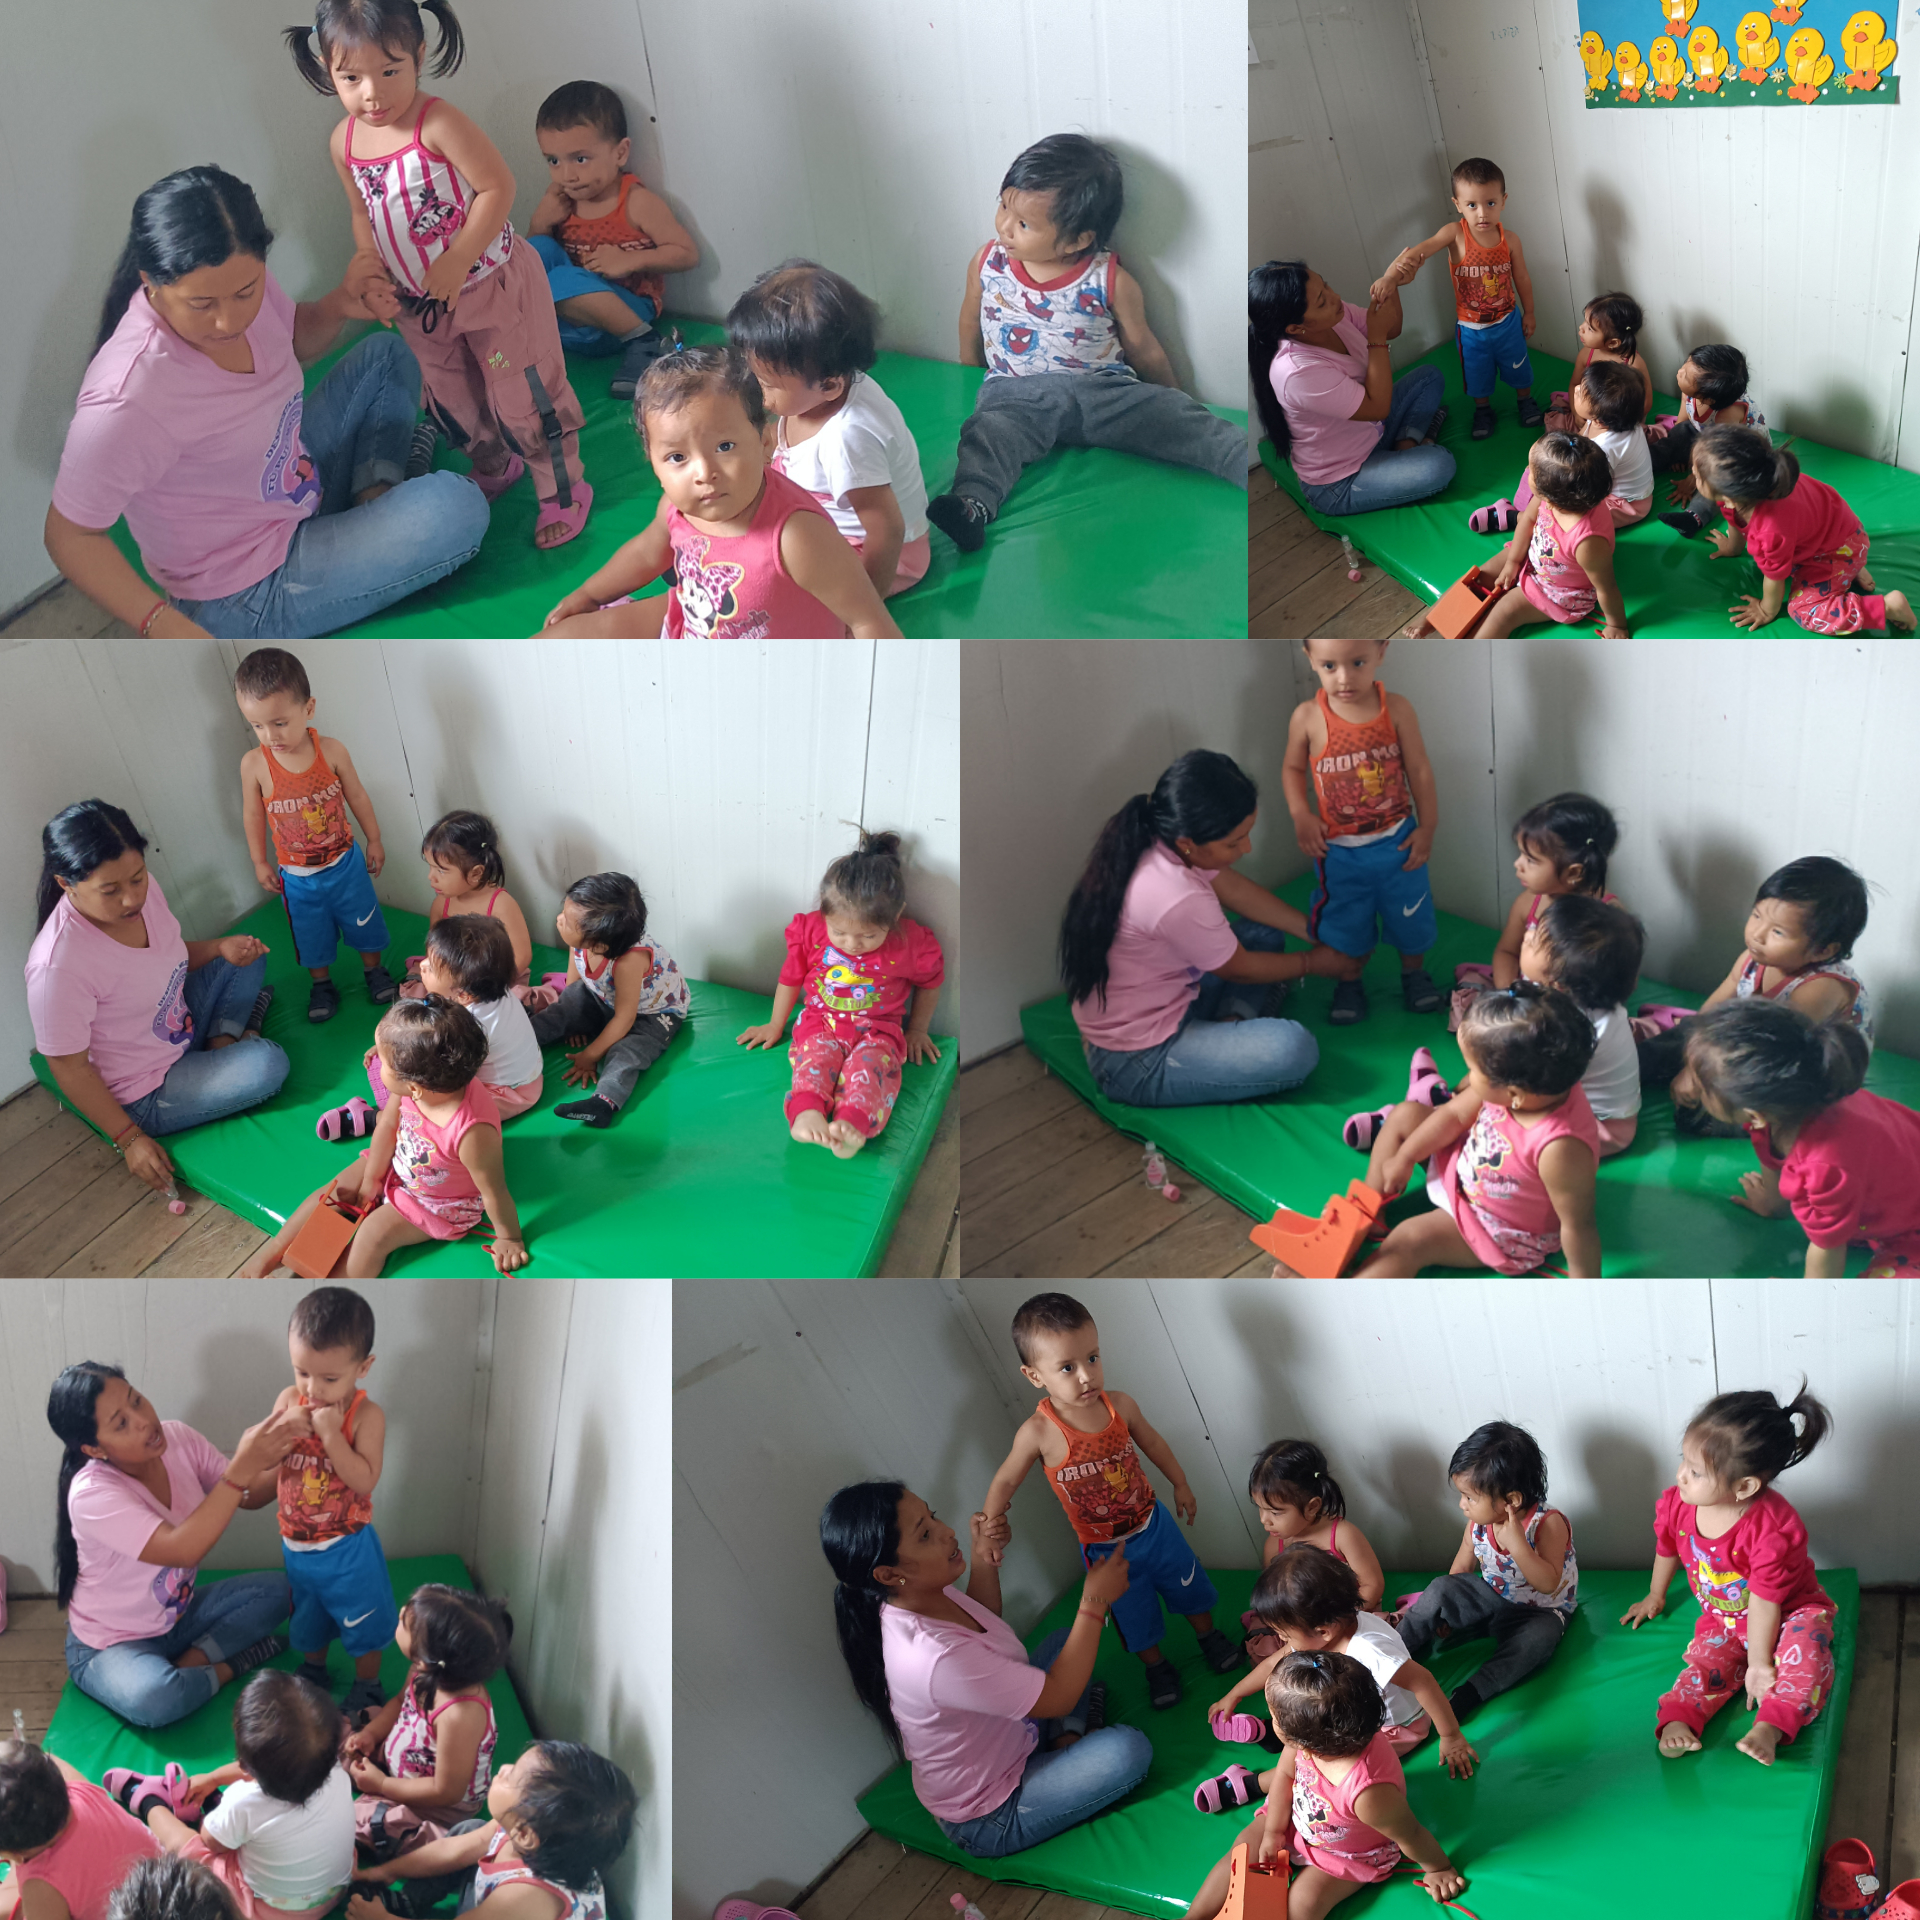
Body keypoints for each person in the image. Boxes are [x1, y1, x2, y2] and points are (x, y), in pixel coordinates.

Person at [44, 165, 487, 639]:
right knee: (458, 508)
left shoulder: (236, 279)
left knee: (386, 354)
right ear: (149, 282)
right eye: (202, 305)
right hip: (245, 587)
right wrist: (162, 623)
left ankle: (372, 503)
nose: (229, 321)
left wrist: (338, 304)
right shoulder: (127, 399)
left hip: (291, 483)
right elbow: (69, 535)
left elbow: (289, 338)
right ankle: (377, 510)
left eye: (246, 292)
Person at [289, 0, 592, 548]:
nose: (372, 94)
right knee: (455, 399)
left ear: (419, 55)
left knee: (517, 391)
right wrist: (371, 271)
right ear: (327, 69)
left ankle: (562, 490)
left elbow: (498, 187)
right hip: (422, 310)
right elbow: (362, 214)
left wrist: (457, 258)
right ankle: (496, 465)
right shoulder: (344, 143)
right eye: (351, 78)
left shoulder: (438, 123)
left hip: (488, 294)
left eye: (390, 71)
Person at [924, 134, 1244, 554]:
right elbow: (971, 317)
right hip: (1017, 393)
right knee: (987, 434)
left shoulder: (1109, 279)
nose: (1004, 227)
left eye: (1024, 224)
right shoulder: (988, 263)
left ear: (1077, 240)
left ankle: (1244, 460)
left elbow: (1143, 347)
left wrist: (1175, 395)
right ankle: (972, 505)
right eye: (1003, 206)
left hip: (1104, 393)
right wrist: (968, 372)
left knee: (1181, 419)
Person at [818, 1480, 1149, 1860]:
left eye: (933, 1517)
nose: (947, 1531)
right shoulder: (932, 1657)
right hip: (991, 1811)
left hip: (1013, 1734)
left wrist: (982, 1557)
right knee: (1127, 1750)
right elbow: (1058, 1696)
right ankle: (1067, 1744)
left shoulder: (915, 1593)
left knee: (1062, 1642)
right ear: (889, 1575)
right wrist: (1094, 1602)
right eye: (925, 1534)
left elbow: (982, 1627)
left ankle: (1066, 1743)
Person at [982, 1292, 1242, 1712]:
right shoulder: (1038, 1433)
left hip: (1154, 1526)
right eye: (1067, 1367)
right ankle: (1156, 1667)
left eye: (1093, 1358)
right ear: (1034, 1376)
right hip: (1105, 1550)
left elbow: (1153, 1443)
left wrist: (1180, 1483)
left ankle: (1209, 1636)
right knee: (1132, 1613)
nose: (1086, 1376)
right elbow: (1006, 1479)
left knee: (1187, 1584)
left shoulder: (1119, 1405)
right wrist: (990, 1524)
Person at [540, 348, 901, 638]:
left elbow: (868, 621)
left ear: (764, 444)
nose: (704, 473)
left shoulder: (796, 536)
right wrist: (589, 595)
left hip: (773, 677)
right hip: (690, 624)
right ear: (653, 463)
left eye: (725, 447)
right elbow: (647, 554)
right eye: (677, 457)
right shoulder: (678, 507)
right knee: (556, 641)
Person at [27, 803, 288, 1198]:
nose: (131, 899)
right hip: (147, 1089)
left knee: (247, 954)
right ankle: (232, 1042)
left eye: (138, 878)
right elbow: (69, 1067)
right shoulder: (56, 968)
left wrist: (219, 947)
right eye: (110, 890)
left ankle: (221, 1045)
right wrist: (129, 1139)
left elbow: (171, 955)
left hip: (179, 1025)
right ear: (67, 883)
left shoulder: (143, 898)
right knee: (269, 1063)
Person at [1061, 749, 1344, 1108]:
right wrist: (1314, 963)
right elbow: (1238, 968)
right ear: (1189, 844)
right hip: (1136, 1059)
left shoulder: (1161, 833)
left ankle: (1229, 1023)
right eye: (1234, 842)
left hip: (1173, 996)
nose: (1247, 848)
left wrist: (1314, 930)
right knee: (1295, 1048)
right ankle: (1231, 1029)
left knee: (1263, 934)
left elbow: (1232, 888)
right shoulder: (1175, 893)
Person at [47, 1363, 303, 1729]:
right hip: (112, 1643)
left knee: (283, 1591)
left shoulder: (178, 1438)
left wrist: (296, 1449)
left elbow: (249, 1495)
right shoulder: (92, 1495)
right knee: (157, 1699)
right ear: (94, 1448)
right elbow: (184, 1549)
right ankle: (229, 1667)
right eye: (121, 1423)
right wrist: (243, 1465)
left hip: (178, 1619)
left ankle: (190, 1665)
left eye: (136, 1400)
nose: (143, 1421)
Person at [1621, 1385, 1837, 1766]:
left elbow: (1766, 1602)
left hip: (1789, 1613)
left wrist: (1759, 1664)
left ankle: (1770, 1726)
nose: (1680, 1476)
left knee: (1806, 1657)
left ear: (1744, 1486)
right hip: (1726, 1619)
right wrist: (1655, 1594)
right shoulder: (1678, 1504)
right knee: (1704, 1663)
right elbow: (1667, 1546)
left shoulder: (1771, 1529)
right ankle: (1679, 1719)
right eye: (1683, 1461)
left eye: (1696, 1472)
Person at [243, 998, 528, 1277]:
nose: (377, 1065)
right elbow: (388, 1125)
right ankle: (274, 1251)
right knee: (337, 1189)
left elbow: (494, 1191)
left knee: (373, 1233)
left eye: (384, 1064)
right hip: (398, 1160)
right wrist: (372, 1178)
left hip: (437, 1202)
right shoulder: (419, 1085)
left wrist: (510, 1238)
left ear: (414, 1087)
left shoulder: (472, 1133)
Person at [1339, 982, 1602, 1278]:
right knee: (1405, 1115)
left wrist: (1586, 1288)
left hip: (1496, 1227)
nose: (1466, 1078)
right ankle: (1367, 1213)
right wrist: (1405, 1157)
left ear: (1513, 1094)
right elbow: (1453, 1115)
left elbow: (1579, 1226)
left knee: (1409, 1239)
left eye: (1472, 1070)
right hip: (1468, 1167)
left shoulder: (1560, 1148)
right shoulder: (1532, 1080)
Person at [1183, 1652, 1464, 1920]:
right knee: (1243, 1850)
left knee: (1302, 1905)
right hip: (1294, 1817)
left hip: (1346, 1855)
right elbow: (1285, 1777)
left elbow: (1411, 1834)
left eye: (1274, 1717)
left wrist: (1438, 1868)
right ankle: (1194, 1916)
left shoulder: (1368, 1793)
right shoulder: (1309, 1741)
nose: (1270, 1720)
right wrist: (1273, 1831)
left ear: (1302, 1740)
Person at [1202, 1546, 1476, 1806]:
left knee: (1322, 1765)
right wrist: (1235, 1694)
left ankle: (1253, 1784)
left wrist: (1451, 1736)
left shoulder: (1370, 1651)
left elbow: (1424, 1683)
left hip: (1393, 1729)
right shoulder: (1328, 1630)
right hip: (1346, 1713)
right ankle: (1276, 1733)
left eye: (1285, 1634)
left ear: (1323, 1631)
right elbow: (1274, 1661)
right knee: (1297, 1684)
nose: (1283, 1641)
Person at [734, 831, 944, 1155]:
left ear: (896, 915)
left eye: (868, 936)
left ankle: (852, 1125)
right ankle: (807, 1113)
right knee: (815, 1059)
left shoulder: (912, 943)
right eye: (839, 932)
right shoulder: (810, 930)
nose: (851, 944)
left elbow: (930, 982)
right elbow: (791, 977)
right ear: (824, 912)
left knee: (870, 1069)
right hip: (820, 1023)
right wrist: (775, 1024)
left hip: (879, 1031)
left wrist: (917, 1030)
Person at [729, 262, 930, 599]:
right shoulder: (820, 391)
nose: (755, 388)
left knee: (767, 588)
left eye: (766, 384)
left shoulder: (847, 439)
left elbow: (887, 530)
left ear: (829, 386)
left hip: (871, 554)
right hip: (818, 521)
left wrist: (864, 603)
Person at [1686, 1001, 1920, 1277]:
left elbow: (1828, 1248)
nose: (1693, 1091)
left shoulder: (1824, 1165)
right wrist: (1772, 1204)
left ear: (1754, 1113)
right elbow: (1770, 1152)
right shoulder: (1790, 1104)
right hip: (1886, 1202)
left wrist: (1807, 1300)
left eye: (1700, 1087)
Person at [1645, 854, 1872, 1131]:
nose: (1757, 934)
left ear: (1823, 950)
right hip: (1747, 1038)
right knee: (1680, 1036)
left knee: (1698, 1115)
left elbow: (1769, 1057)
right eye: (1756, 916)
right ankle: (1626, 1068)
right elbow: (1711, 1012)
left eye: (1778, 932)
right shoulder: (1754, 958)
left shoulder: (1819, 989)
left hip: (1787, 1064)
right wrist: (1692, 1065)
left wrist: (1699, 1075)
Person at [1282, 637, 1443, 1022]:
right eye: (1329, 666)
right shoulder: (1307, 717)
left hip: (1399, 842)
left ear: (1381, 652)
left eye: (1357, 663)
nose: (1344, 678)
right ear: (1310, 659)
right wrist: (1300, 814)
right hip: (1338, 852)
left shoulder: (1396, 709)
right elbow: (1292, 768)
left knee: (1412, 916)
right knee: (1345, 922)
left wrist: (1428, 827)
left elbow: (1419, 769)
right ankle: (1349, 981)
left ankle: (1414, 975)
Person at [107, 1671, 353, 1920]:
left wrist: (215, 1808)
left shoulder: (244, 1802)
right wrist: (214, 1778)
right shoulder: (334, 1769)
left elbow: (210, 1841)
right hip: (334, 1890)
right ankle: (225, 1819)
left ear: (245, 1765)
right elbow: (279, 1768)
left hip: (271, 1912)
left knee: (194, 1852)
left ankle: (148, 1800)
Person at [234, 648, 395, 1023]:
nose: (270, 736)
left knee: (364, 920)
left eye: (279, 723)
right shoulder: (254, 764)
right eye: (257, 726)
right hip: (297, 877)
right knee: (310, 934)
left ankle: (374, 971)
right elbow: (252, 814)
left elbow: (357, 795)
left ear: (309, 708)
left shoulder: (332, 751)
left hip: (345, 865)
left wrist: (374, 839)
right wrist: (258, 861)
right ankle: (321, 984)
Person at [260, 1288, 395, 1717]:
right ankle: (313, 1671)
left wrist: (332, 1435)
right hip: (296, 1544)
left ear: (363, 1367)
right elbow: (265, 1459)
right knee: (308, 1616)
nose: (313, 1389)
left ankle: (368, 1685)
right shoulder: (289, 1400)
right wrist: (283, 1431)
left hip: (347, 1546)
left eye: (329, 1379)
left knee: (362, 1618)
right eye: (302, 1372)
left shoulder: (367, 1416)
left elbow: (365, 1478)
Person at [1396, 1423, 1577, 1724]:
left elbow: (1548, 1584)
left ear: (1511, 1501)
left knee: (1537, 1641)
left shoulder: (1548, 1524)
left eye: (1469, 1497)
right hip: (1492, 1599)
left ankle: (1471, 1693)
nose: (1462, 1505)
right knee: (1440, 1588)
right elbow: (1461, 1570)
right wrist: (1446, 1610)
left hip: (1542, 1612)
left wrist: (1518, 1546)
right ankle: (1392, 1651)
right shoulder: (1478, 1523)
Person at [528, 79, 697, 397]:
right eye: (553, 161)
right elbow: (531, 264)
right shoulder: (561, 198)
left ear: (620, 153)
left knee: (558, 279)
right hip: (571, 321)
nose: (567, 175)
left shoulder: (635, 201)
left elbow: (686, 253)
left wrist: (630, 260)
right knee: (535, 249)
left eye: (580, 159)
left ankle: (646, 343)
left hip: (625, 314)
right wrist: (540, 222)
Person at [344, 1741, 635, 1920]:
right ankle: (411, 1901)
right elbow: (451, 1850)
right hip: (497, 1896)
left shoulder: (523, 1900)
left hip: (503, 1909)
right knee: (471, 1831)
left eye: (512, 1776)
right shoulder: (526, 1827)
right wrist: (385, 1872)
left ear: (525, 1835)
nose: (504, 1768)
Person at [1252, 261, 1452, 517]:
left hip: (1373, 430)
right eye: (1322, 302)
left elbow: (1391, 328)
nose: (1335, 297)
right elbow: (1377, 407)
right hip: (1341, 478)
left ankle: (1406, 446)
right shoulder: (1296, 372)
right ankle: (1413, 445)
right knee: (1439, 465)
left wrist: (1391, 283)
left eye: (1325, 285)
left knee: (1429, 376)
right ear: (1295, 328)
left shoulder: (1334, 315)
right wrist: (1376, 338)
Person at [324, 918, 543, 1138]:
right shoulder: (492, 988)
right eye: (427, 957)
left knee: (428, 1103)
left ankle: (377, 1119)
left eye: (432, 968)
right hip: (529, 1077)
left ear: (462, 994)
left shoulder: (467, 1026)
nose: (422, 965)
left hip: (504, 1094)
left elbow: (443, 1076)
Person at [1372, 155, 1540, 440]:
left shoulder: (1510, 240)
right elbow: (1421, 250)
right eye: (1472, 205)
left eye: (1490, 203)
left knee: (1519, 366)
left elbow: (1522, 278)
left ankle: (1525, 400)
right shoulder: (1455, 234)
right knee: (1476, 373)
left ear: (1503, 201)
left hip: (1507, 322)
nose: (1482, 213)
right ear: (1457, 204)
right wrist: (1390, 276)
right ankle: (1483, 410)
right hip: (1471, 329)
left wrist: (1530, 312)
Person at [1690, 428, 1917, 634]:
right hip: (1836, 535)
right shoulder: (1764, 481)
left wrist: (1766, 609)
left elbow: (1775, 577)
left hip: (1837, 551)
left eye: (1697, 475)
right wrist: (1733, 547)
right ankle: (1851, 567)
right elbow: (1733, 518)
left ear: (1730, 498)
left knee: (1804, 611)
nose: (1692, 471)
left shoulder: (1768, 530)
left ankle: (1888, 606)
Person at [345, 1585, 512, 1857]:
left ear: (427, 1658)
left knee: (359, 1822)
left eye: (406, 1622)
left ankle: (443, 1840)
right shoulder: (424, 1671)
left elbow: (445, 1791)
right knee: (347, 1729)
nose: (401, 1612)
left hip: (437, 1806)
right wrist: (371, 1735)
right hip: (403, 1761)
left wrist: (383, 1786)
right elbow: (399, 1703)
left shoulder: (459, 1714)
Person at [528, 874, 688, 1129]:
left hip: (654, 1013)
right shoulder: (583, 939)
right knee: (564, 1008)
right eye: (564, 912)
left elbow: (625, 1018)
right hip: (606, 997)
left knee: (628, 1051)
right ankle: (515, 1040)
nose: (559, 919)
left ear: (599, 945)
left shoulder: (628, 962)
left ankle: (603, 1102)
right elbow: (574, 982)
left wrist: (590, 1054)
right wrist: (575, 1019)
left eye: (566, 920)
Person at [1224, 1440, 1384, 1674]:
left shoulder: (1342, 1535)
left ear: (1312, 1506)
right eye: (1260, 1508)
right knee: (1268, 1656)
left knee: (1364, 1657)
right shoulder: (1274, 1545)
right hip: (1302, 1627)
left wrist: (1339, 1623)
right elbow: (1277, 1595)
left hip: (1348, 1616)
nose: (1264, 1520)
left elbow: (1373, 1585)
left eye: (1275, 1512)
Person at [0, 1738, 159, 1920]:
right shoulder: (81, 1791)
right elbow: (50, 1763)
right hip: (165, 1884)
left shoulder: (40, 1887)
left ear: (12, 1855)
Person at [400, 811, 534, 992]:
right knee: (419, 993)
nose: (431, 877)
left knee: (517, 997)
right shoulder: (441, 903)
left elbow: (522, 956)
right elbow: (435, 949)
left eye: (441, 870)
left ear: (476, 873)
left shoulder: (501, 904)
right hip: (454, 976)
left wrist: (485, 989)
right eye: (430, 867)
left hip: (495, 979)